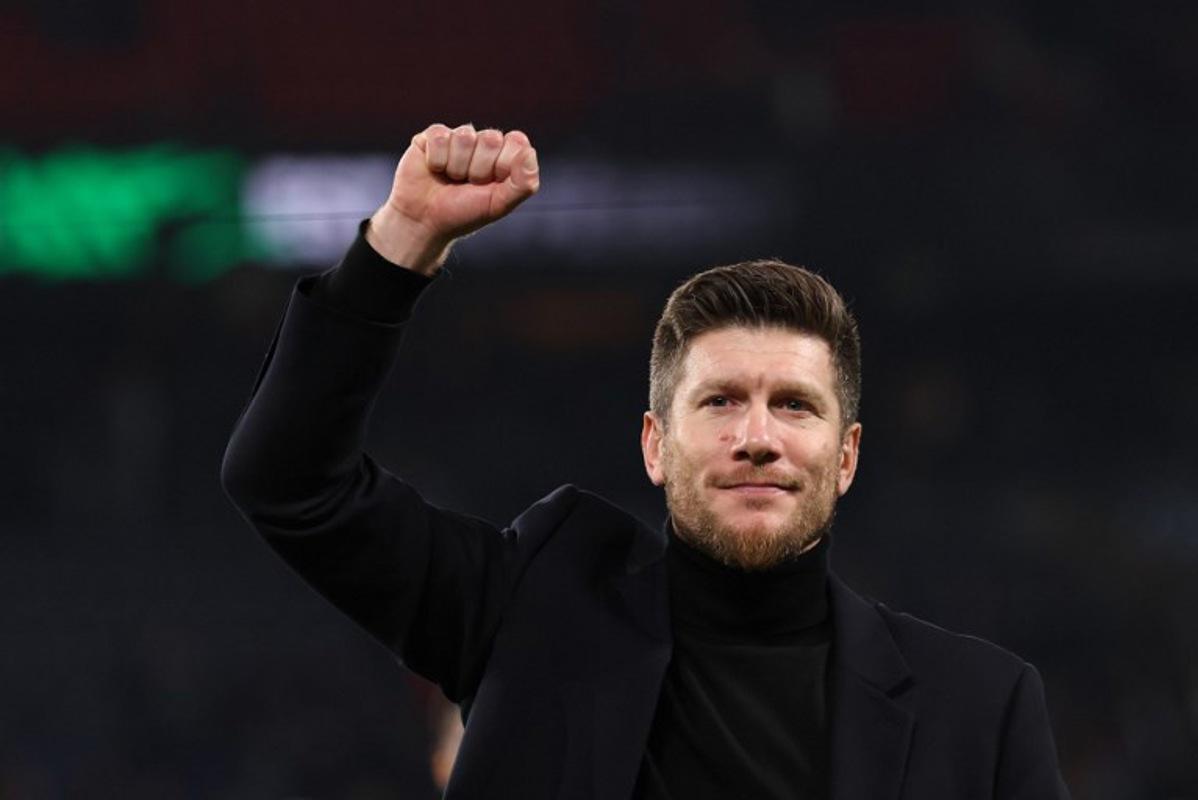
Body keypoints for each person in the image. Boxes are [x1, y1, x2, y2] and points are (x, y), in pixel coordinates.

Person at [221, 123, 1070, 799]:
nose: (757, 436)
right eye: (721, 400)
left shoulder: (978, 709)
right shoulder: (533, 608)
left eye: (795, 406)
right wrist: (400, 243)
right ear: (654, 447)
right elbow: (287, 481)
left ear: (846, 456)